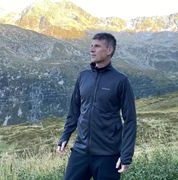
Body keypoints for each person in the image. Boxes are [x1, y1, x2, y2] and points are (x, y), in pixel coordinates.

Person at [57, 32, 137, 180]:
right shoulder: (83, 76)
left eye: (97, 46)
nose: (92, 50)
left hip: (108, 156)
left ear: (109, 50)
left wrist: (126, 155)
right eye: (91, 46)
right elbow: (74, 111)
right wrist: (65, 136)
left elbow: (130, 120)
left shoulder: (121, 81)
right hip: (80, 152)